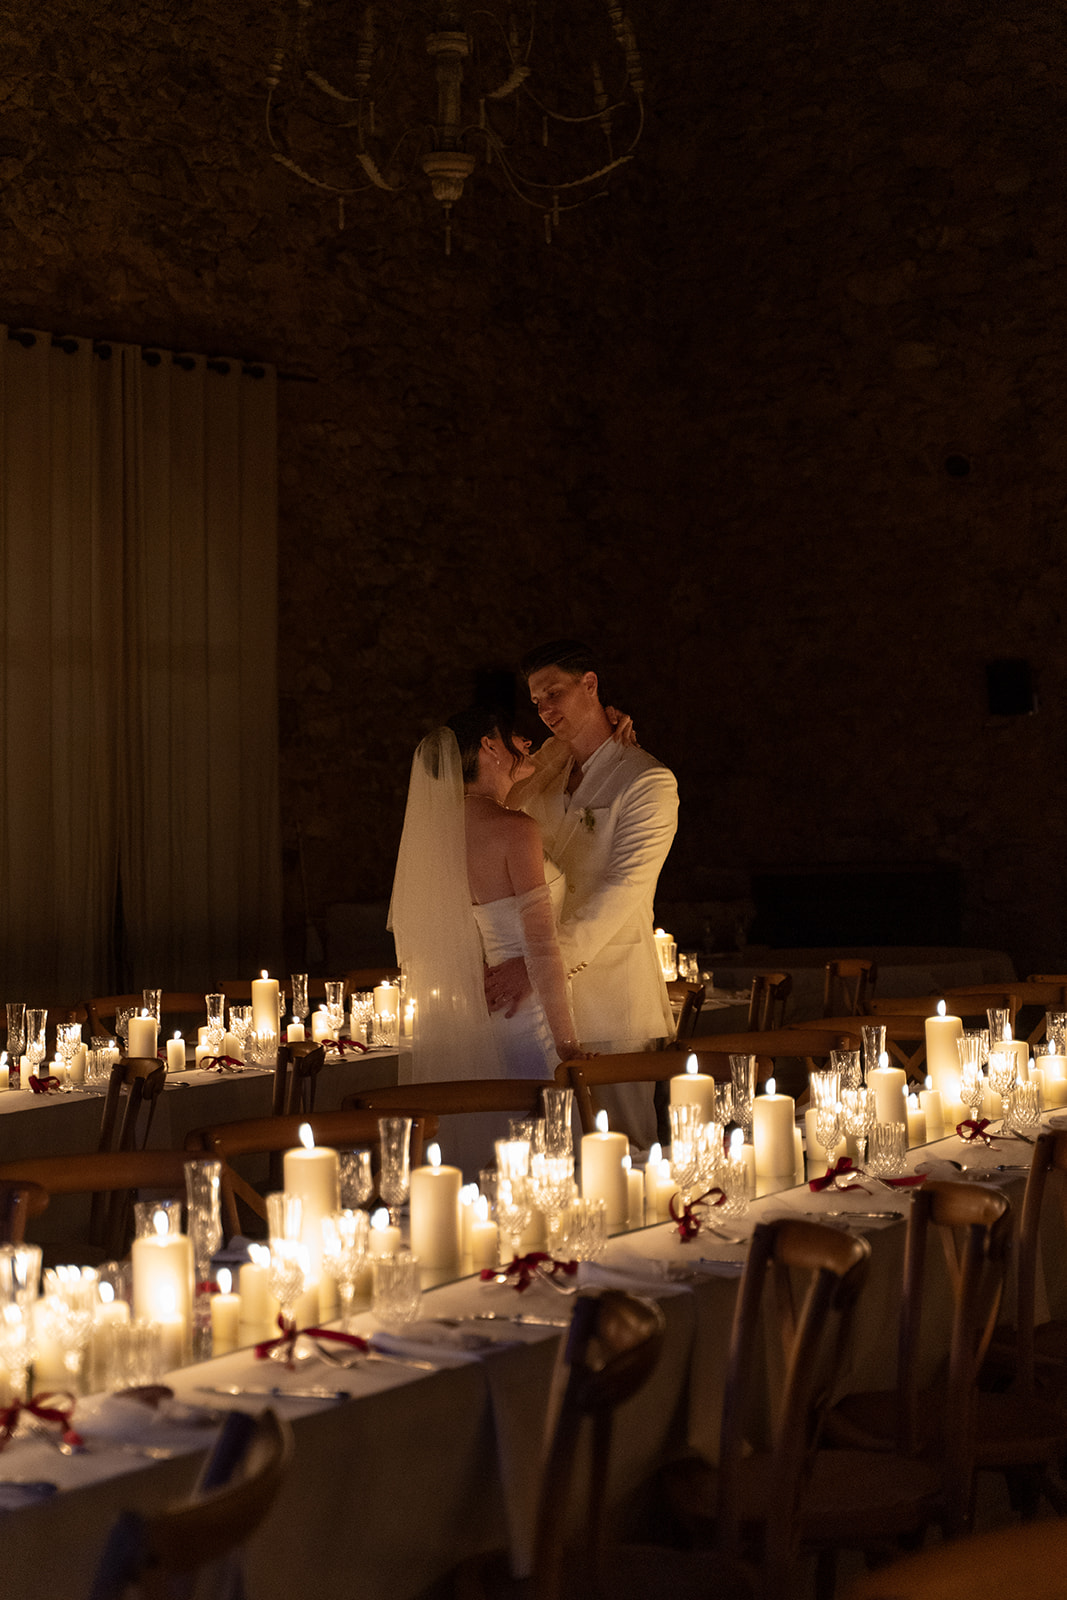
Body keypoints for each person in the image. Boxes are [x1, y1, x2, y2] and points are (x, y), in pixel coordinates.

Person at [490, 639, 679, 1147]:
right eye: (536, 703)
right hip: (537, 1011)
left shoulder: (647, 781)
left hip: (611, 1000)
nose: (546, 710)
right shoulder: (546, 774)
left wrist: (536, 965)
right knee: (548, 1153)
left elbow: (619, 894)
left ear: (590, 685)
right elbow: (496, 809)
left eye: (554, 693)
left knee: (621, 1148)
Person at [388, 706, 584, 1085]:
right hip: (532, 1012)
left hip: (488, 1012)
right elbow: (541, 945)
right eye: (515, 735)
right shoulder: (515, 829)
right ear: (489, 747)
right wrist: (567, 1046)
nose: (528, 742)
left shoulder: (440, 835)